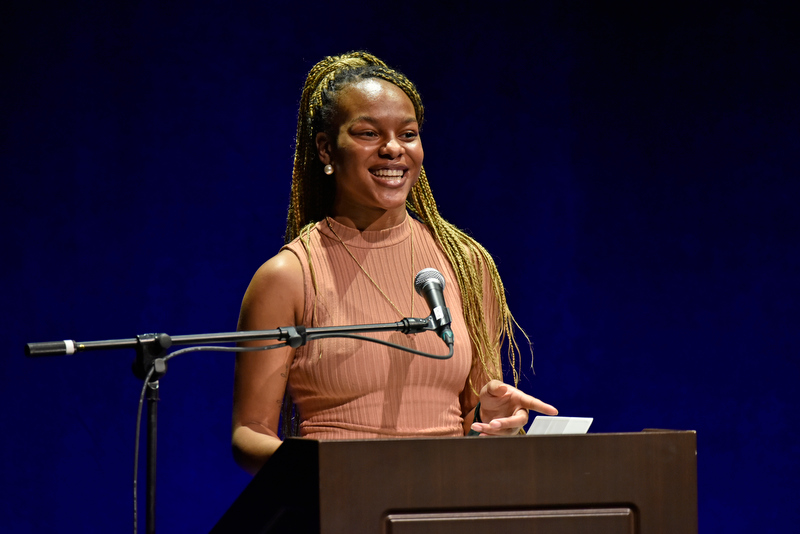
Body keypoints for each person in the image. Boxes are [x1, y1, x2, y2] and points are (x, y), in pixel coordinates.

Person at [232, 51, 557, 475]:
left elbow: (472, 420)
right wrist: (330, 472)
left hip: (442, 503)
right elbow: (249, 432)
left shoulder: (465, 264)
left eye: (407, 134)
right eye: (368, 133)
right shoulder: (290, 276)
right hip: (338, 504)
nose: (392, 149)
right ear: (326, 148)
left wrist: (490, 421)